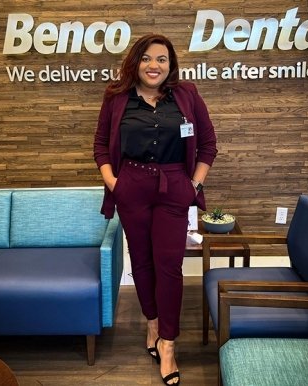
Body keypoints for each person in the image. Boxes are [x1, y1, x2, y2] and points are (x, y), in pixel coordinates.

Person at [94, 34, 217, 385]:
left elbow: (208, 144)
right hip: (131, 186)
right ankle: (152, 325)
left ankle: (168, 344)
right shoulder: (117, 97)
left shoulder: (187, 95)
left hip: (174, 186)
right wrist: (114, 183)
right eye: (147, 58)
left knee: (169, 267)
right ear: (136, 62)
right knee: (143, 263)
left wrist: (193, 185)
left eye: (161, 59)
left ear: (170, 64)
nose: (154, 65)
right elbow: (101, 145)